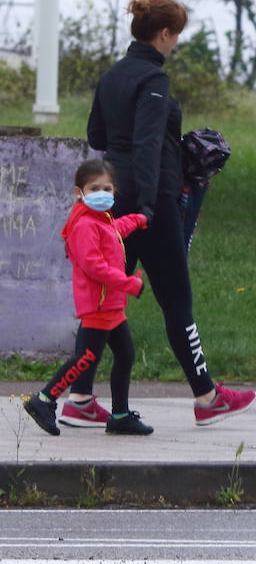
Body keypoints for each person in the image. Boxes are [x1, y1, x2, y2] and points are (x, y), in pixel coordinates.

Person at [67, 0, 256, 428]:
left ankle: (78, 397)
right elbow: (150, 144)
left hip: (113, 198)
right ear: (165, 33)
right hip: (151, 202)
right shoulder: (154, 79)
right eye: (177, 35)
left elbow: (97, 132)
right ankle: (207, 397)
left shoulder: (113, 75)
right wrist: (151, 204)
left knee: (105, 302)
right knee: (176, 299)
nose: (175, 43)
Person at [24, 160, 153, 436]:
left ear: (114, 191)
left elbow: (115, 230)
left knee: (125, 354)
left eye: (107, 188)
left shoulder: (101, 219)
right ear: (79, 192)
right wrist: (129, 283)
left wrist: (139, 219)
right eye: (94, 188)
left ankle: (119, 416)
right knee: (85, 358)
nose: (102, 192)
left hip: (111, 305)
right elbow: (94, 266)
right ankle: (43, 400)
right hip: (99, 304)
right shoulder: (84, 224)